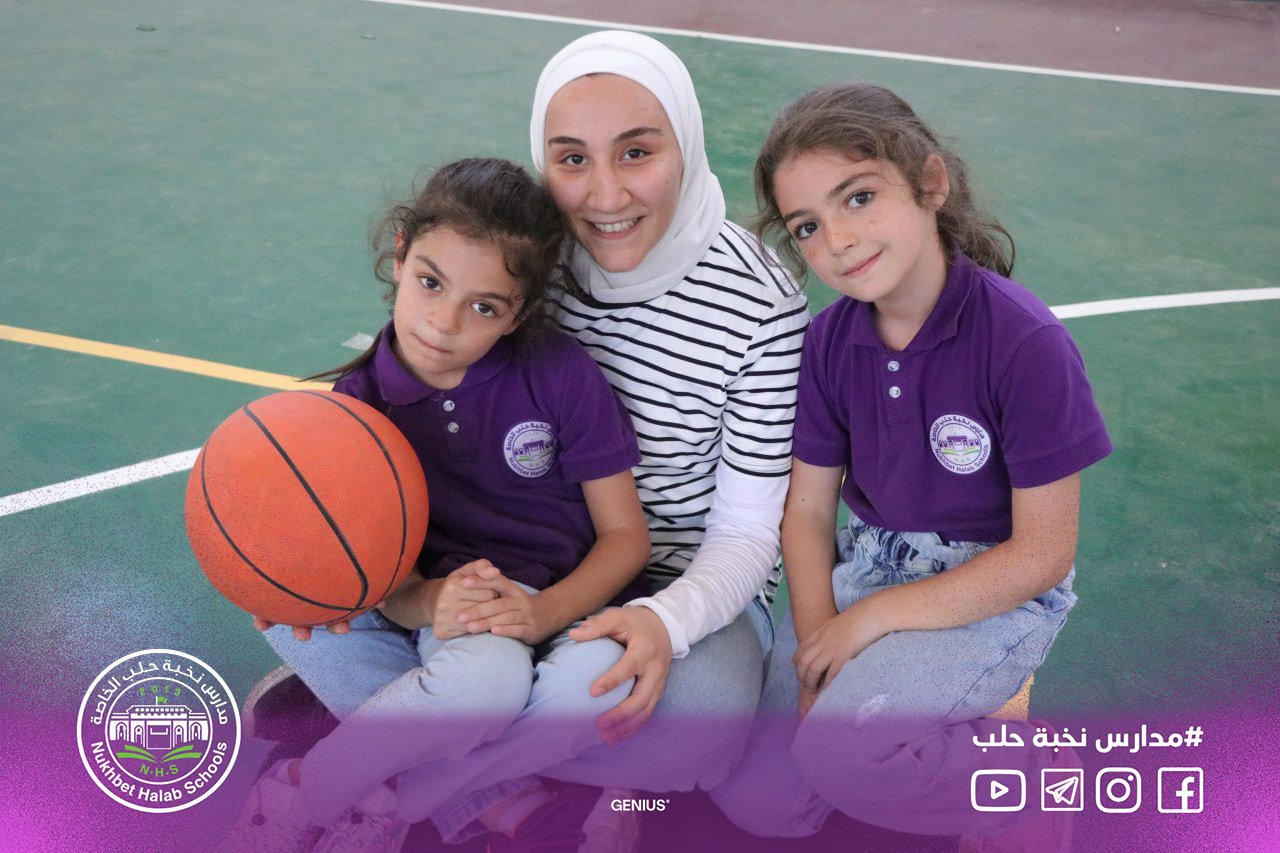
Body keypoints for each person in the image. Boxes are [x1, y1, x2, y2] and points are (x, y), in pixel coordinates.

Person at [376, 30, 810, 850]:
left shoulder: (761, 303)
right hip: (518, 559)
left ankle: (414, 757)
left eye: (637, 152)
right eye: (572, 159)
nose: (605, 195)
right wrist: (325, 561)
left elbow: (749, 531)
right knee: (314, 605)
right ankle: (540, 755)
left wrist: (664, 622)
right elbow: (421, 369)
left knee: (704, 729)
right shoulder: (523, 266)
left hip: (684, 580)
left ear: (688, 143)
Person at [710, 82, 1113, 850]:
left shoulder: (1024, 342)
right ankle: (911, 741)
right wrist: (819, 645)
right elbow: (807, 511)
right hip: (870, 567)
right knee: (759, 800)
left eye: (859, 198)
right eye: (808, 226)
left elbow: (1042, 554)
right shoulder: (829, 343)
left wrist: (869, 622)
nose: (837, 239)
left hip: (992, 590)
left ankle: (1031, 779)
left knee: (846, 755)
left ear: (931, 183)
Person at [221, 157, 652, 851]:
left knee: (597, 690)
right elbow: (387, 583)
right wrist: (430, 602)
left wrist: (543, 612)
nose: (444, 322)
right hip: (448, 617)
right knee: (299, 606)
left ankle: (324, 784)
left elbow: (626, 536)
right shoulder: (358, 410)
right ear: (400, 255)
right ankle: (478, 783)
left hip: (567, 606)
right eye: (430, 282)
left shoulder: (560, 371)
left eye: (484, 307)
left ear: (518, 314)